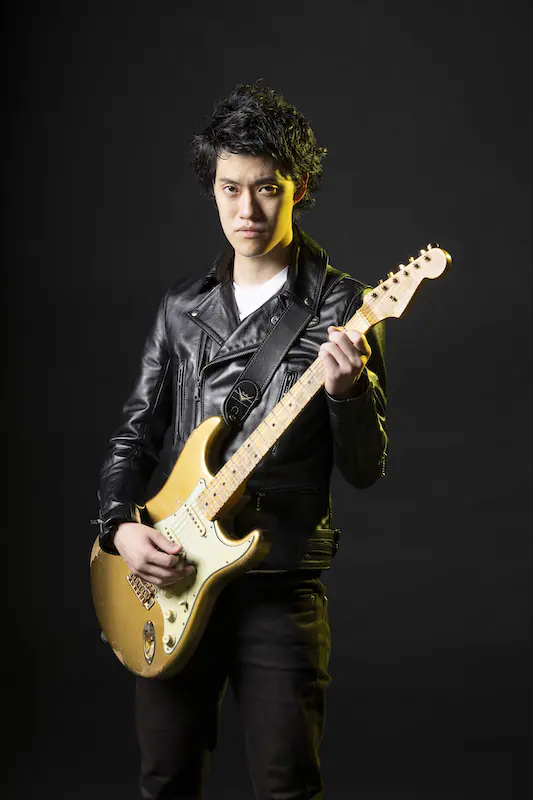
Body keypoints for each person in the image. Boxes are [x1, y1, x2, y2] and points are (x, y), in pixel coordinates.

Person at [97, 82, 388, 800]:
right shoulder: (182, 306)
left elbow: (364, 468)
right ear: (213, 190)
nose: (247, 210)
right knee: (165, 780)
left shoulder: (344, 307)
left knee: (286, 786)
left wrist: (348, 393)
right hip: (172, 576)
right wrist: (119, 528)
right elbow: (135, 434)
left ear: (299, 189)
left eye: (266, 189)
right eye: (230, 189)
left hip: (278, 585)